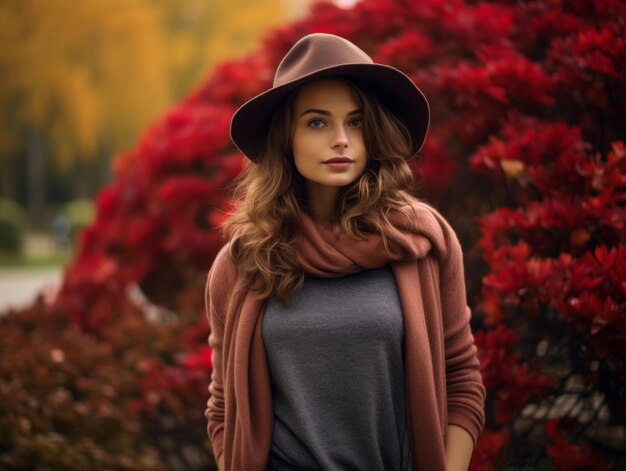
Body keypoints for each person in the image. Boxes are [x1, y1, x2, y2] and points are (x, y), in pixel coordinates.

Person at [204, 33, 485, 471]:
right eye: (317, 123)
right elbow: (224, 407)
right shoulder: (243, 262)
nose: (341, 139)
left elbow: (462, 381)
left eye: (355, 122)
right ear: (286, 137)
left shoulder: (421, 242)